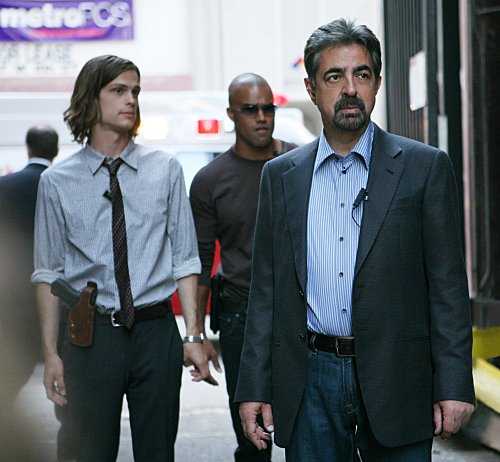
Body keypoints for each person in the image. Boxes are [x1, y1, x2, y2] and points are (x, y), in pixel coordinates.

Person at [235, 18, 475, 461]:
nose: (350, 88)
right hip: (310, 380)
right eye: (334, 76)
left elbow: (448, 289)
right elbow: (266, 292)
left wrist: (455, 384)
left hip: (398, 377)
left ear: (377, 83)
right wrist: (253, 386)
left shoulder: (423, 168)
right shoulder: (282, 177)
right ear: (311, 88)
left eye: (361, 74)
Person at [32, 55, 215, 462]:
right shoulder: (56, 181)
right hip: (91, 335)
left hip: (155, 331)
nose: (131, 100)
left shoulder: (165, 169)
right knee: (89, 452)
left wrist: (193, 336)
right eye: (118, 90)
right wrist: (50, 354)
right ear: (90, 98)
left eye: (135, 91)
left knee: (158, 452)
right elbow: (46, 273)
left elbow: (186, 259)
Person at [190, 73, 298, 462]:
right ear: (231, 113)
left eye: (268, 108)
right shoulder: (210, 180)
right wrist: (197, 334)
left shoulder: (300, 163)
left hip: (300, 313)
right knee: (252, 437)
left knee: (310, 429)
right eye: (251, 109)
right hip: (240, 315)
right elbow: (201, 263)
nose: (262, 117)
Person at [0, 125, 58, 403]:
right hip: (55, 286)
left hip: (15, 287)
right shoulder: (63, 183)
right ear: (55, 150)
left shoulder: (5, 186)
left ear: (28, 148)